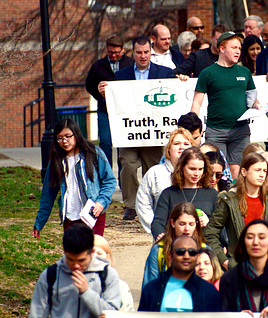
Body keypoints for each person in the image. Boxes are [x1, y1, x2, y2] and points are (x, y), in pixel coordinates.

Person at [98, 35, 174, 221]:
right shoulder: (121, 76)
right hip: (130, 133)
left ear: (151, 51)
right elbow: (115, 105)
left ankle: (155, 204)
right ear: (133, 53)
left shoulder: (165, 73)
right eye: (139, 52)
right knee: (129, 167)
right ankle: (130, 206)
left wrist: (181, 79)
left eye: (146, 52)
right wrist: (104, 94)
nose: (142, 56)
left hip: (153, 133)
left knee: (154, 170)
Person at [191, 31, 260, 179]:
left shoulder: (245, 72)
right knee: (216, 172)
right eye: (234, 47)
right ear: (222, 49)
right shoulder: (208, 73)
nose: (238, 51)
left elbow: (251, 98)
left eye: (239, 48)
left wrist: (256, 105)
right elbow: (197, 102)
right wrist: (192, 127)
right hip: (216, 132)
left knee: (238, 173)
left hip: (240, 131)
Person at [33, 118, 116, 238]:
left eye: (68, 136)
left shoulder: (93, 153)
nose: (64, 141)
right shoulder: (56, 160)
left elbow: (109, 181)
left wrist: (101, 202)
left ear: (76, 135)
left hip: (93, 214)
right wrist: (39, 223)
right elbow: (48, 193)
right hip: (70, 217)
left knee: (93, 252)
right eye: (60, 138)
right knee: (74, 254)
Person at [204, 152, 268, 270]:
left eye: (264, 171)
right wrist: (224, 261)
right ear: (244, 172)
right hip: (237, 265)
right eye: (257, 170)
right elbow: (210, 233)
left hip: (265, 266)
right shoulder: (230, 200)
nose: (262, 174)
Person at [85, 35, 133, 165]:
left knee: (123, 144)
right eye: (111, 52)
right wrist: (100, 95)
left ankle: (123, 179)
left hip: (124, 111)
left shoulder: (130, 64)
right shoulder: (98, 66)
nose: (114, 55)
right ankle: (107, 176)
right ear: (107, 49)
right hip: (104, 110)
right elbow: (89, 85)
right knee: (105, 142)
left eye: (117, 53)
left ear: (123, 50)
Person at [136, 128, 194, 235]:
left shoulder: (198, 174)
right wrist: (157, 230)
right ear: (168, 149)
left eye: (186, 144)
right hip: (163, 235)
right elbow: (143, 204)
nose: (181, 147)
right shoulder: (155, 173)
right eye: (176, 143)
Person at [151, 148, 218, 239]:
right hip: (175, 245)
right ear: (182, 167)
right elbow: (158, 223)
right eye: (192, 169)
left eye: (200, 169)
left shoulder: (212, 194)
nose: (197, 173)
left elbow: (221, 228)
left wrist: (208, 222)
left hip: (205, 245)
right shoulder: (169, 194)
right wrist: (161, 237)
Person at [142, 202, 205, 289]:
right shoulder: (159, 250)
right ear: (172, 223)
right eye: (182, 224)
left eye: (191, 224)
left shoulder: (204, 250)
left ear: (196, 224)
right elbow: (149, 288)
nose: (187, 229)